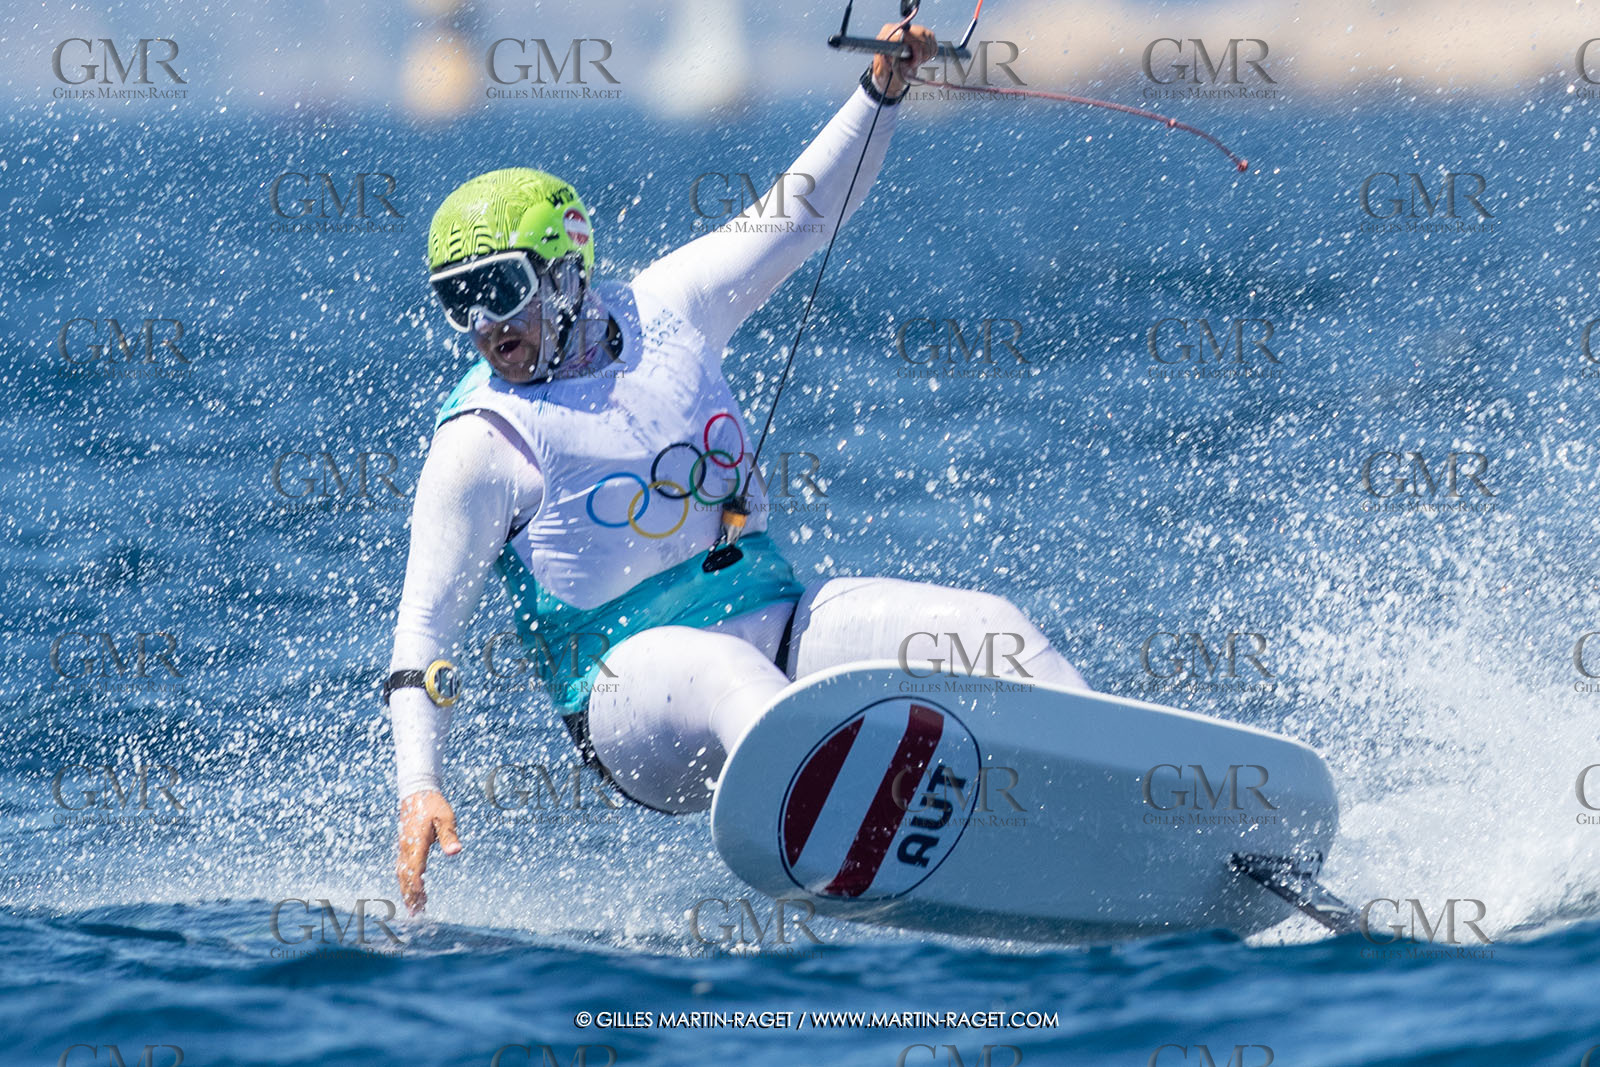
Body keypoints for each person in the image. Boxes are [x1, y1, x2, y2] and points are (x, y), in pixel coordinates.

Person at [389, 23, 1089, 914]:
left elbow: (800, 213)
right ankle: (892, 856)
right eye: (460, 301)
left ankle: (1136, 804)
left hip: (784, 632)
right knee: (729, 677)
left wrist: (880, 90)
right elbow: (422, 636)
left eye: (500, 289)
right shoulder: (481, 440)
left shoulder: (670, 311)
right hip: (631, 705)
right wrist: (420, 781)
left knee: (984, 627)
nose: (486, 325)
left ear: (567, 270)